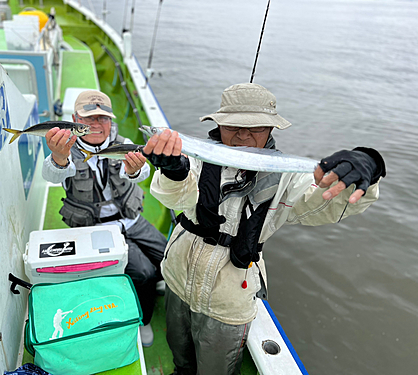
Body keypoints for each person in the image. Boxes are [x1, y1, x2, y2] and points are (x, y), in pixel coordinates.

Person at [142, 83, 386, 374]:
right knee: (179, 352)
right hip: (178, 275)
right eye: (233, 125)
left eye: (257, 127)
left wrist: (369, 163)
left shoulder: (287, 176)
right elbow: (172, 197)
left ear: (272, 130)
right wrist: (173, 170)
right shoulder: (196, 155)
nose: (243, 134)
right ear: (218, 123)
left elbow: (325, 204)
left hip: (229, 298)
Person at [42, 89, 167, 347]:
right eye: (88, 119)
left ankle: (157, 280)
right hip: (95, 227)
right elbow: (52, 175)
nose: (96, 124)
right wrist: (57, 157)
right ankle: (143, 320)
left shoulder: (122, 142)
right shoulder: (66, 148)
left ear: (111, 121)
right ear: (75, 119)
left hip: (131, 217)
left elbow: (143, 172)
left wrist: (135, 170)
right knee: (143, 272)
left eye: (103, 118)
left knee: (168, 254)